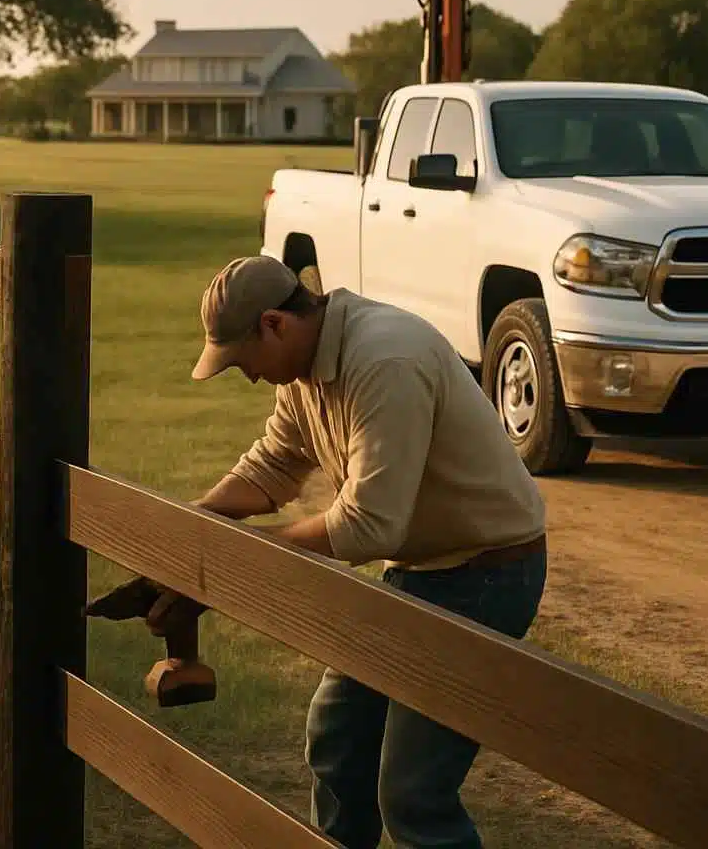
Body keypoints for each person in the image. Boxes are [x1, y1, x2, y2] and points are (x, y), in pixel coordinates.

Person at [184, 254, 548, 849]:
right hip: (421, 572)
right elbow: (274, 466)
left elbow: (369, 525)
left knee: (413, 792)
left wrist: (248, 555)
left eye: (242, 359)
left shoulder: (385, 360)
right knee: (340, 738)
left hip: (489, 575)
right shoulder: (306, 370)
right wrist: (192, 525)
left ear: (275, 324)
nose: (246, 376)